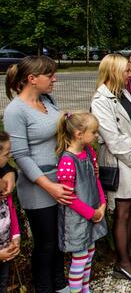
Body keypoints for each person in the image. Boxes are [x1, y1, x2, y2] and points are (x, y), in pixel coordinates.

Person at [4, 56, 71, 292]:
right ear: (32, 79)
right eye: (49, 74)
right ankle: (44, 287)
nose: (54, 78)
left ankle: (60, 283)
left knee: (59, 240)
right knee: (45, 243)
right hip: (37, 187)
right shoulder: (15, 111)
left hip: (58, 181)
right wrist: (48, 186)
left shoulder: (47, 101)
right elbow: (21, 156)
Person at [91, 53, 131, 281]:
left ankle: (130, 255)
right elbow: (113, 140)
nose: (130, 73)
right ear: (114, 71)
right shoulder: (101, 100)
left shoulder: (123, 92)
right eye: (126, 70)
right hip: (120, 162)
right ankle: (122, 262)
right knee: (122, 211)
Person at [55, 112, 108, 293]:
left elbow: (95, 178)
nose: (96, 136)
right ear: (79, 134)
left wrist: (102, 203)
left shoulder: (89, 152)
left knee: (89, 253)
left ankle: (85, 289)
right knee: (79, 258)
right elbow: (69, 198)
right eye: (93, 132)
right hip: (77, 220)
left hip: (92, 212)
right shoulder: (67, 161)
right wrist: (91, 213)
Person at [0, 132, 21, 293]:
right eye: (7, 154)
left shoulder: (3, 183)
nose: (9, 157)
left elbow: (10, 209)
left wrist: (15, 236)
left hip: (6, 247)